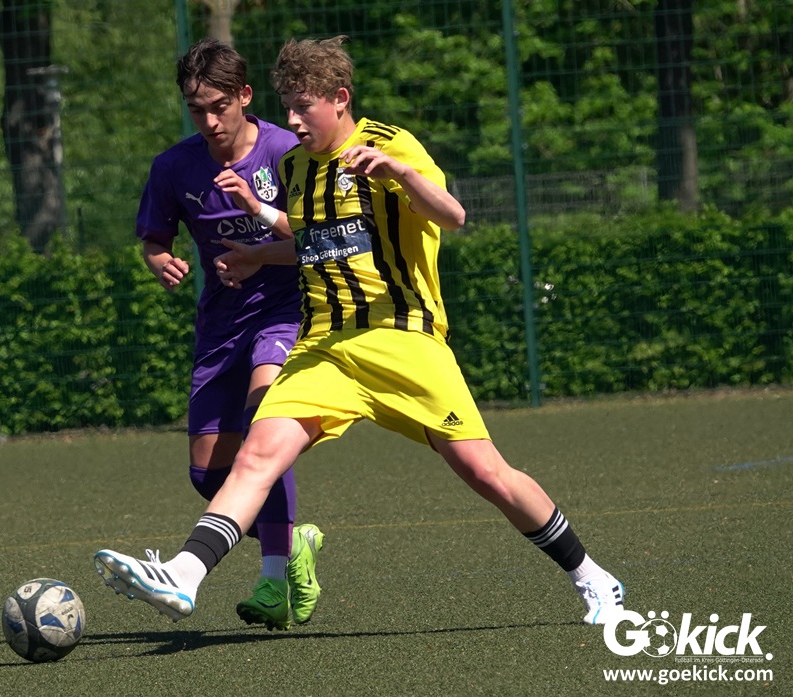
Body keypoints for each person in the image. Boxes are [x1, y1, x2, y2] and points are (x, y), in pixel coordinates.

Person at [95, 35, 625, 627]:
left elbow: (452, 215)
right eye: (287, 107)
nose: (292, 121)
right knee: (258, 452)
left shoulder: (388, 144)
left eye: (303, 107)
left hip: (402, 339)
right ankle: (184, 575)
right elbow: (311, 238)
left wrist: (400, 173)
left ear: (340, 99)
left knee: (486, 473)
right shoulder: (295, 166)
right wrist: (256, 242)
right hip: (324, 345)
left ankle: (591, 574)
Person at [93, 38, 324, 631]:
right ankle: (292, 540)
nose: (210, 120)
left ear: (245, 95)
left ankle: (273, 579)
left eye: (220, 106)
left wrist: (256, 253)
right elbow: (154, 239)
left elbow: (317, 240)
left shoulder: (285, 151)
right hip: (221, 324)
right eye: (197, 110)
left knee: (262, 426)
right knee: (206, 473)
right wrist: (158, 261)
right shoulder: (174, 166)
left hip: (285, 311)